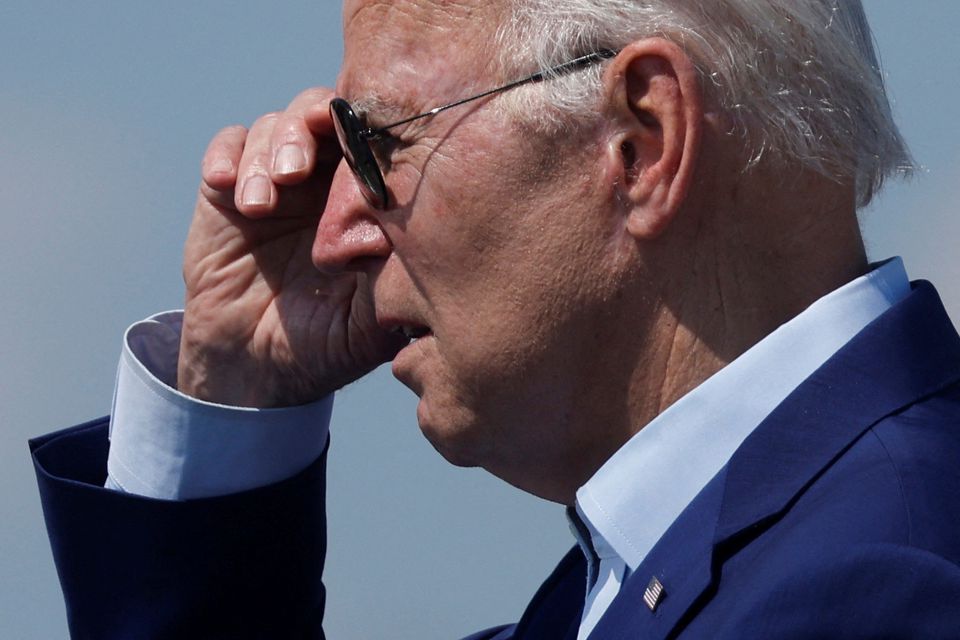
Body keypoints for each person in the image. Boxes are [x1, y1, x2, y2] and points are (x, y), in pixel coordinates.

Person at [30, 0, 960, 638]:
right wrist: (233, 386)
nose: (332, 231)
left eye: (378, 140)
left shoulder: (870, 589)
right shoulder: (714, 567)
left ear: (642, 141)